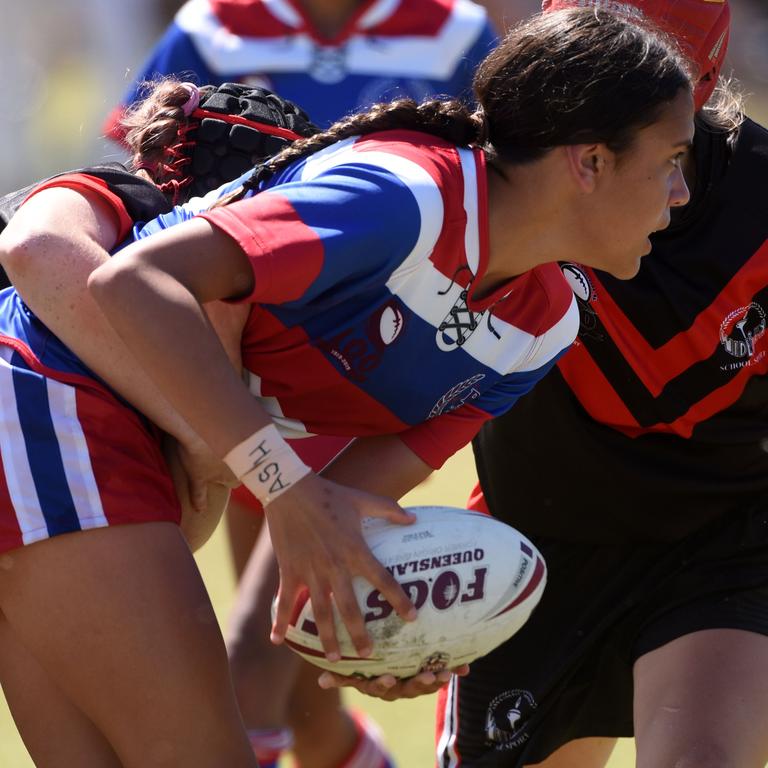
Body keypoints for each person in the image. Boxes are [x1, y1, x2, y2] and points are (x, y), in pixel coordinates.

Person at [84, 3, 690, 761]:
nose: (682, 194)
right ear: (591, 161)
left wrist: (379, 642)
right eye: (671, 160)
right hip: (67, 396)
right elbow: (131, 283)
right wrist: (283, 484)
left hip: (180, 444)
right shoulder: (406, 195)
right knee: (216, 726)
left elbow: (352, 518)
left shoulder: (543, 326)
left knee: (249, 705)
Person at [104, 1, 498, 763]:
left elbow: (509, 182)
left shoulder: (454, 30)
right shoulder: (212, 25)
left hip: (364, 365)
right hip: (234, 369)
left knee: (256, 659)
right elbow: (146, 164)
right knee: (306, 675)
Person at [411, 1, 768, 766]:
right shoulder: (479, 188)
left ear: (692, 88)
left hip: (728, 537)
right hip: (534, 548)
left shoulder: (759, 208)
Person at [0, 80, 330, 768]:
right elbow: (33, 246)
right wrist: (207, 429)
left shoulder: (204, 307)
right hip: (29, 414)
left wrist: (204, 437)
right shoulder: (125, 195)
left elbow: (183, 523)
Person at [103, 0, 498, 136]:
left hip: (412, 268)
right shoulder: (210, 25)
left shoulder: (456, 29)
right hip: (238, 271)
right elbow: (142, 143)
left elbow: (510, 157)